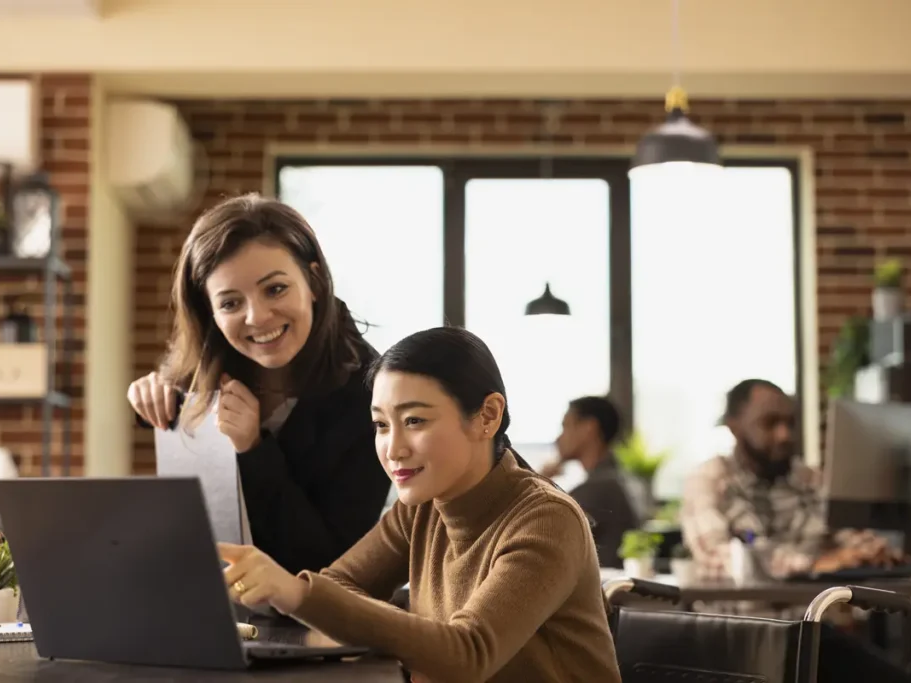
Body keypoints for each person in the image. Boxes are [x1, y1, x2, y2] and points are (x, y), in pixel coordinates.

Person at [216, 327, 620, 683]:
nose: (393, 449)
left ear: (488, 416)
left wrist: (294, 592)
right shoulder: (422, 507)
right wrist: (411, 631)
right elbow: (340, 585)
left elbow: (468, 655)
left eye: (414, 421)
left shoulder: (547, 519)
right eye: (381, 425)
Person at [127, 193, 392, 576]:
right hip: (207, 595)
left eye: (275, 289)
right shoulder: (208, 363)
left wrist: (253, 449)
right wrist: (148, 395)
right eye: (230, 303)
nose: (257, 317)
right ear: (209, 312)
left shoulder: (371, 395)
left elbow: (329, 566)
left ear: (314, 281)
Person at [680, 378, 903, 582]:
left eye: (790, 423)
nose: (784, 435)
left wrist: (870, 553)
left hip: (811, 612)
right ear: (734, 427)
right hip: (742, 613)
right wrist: (814, 564)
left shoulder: (810, 479)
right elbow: (719, 559)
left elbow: (849, 533)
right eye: (769, 423)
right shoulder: (709, 480)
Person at [541, 396, 639, 567]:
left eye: (566, 426)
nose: (558, 438)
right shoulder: (616, 479)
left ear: (589, 428)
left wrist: (539, 479)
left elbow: (535, 529)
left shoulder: (599, 488)